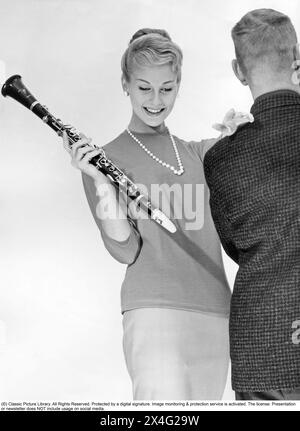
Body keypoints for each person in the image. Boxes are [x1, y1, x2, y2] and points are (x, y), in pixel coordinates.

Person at [63, 28, 231, 400]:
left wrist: (239, 136)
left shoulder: (200, 153)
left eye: (166, 89)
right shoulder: (103, 160)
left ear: (178, 85)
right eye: (143, 88)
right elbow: (124, 249)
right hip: (152, 311)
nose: (156, 100)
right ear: (125, 84)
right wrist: (102, 183)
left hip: (217, 311)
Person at [203, 9, 300, 400]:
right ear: (296, 58)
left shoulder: (222, 158)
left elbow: (236, 247)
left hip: (260, 347)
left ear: (239, 70)